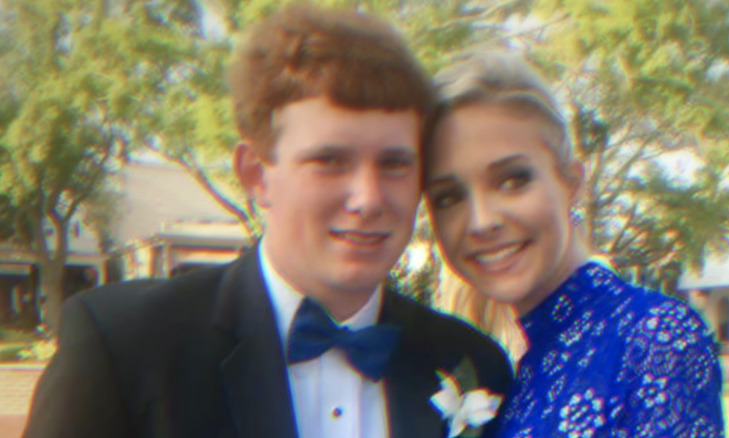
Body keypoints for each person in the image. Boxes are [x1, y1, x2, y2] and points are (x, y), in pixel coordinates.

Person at [22, 5, 512, 438]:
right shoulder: (126, 346)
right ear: (256, 175)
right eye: (330, 161)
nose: (368, 198)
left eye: (394, 163)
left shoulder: (469, 362)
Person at [424, 51, 725, 437]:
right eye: (449, 197)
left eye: (512, 180)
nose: (482, 221)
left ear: (572, 182)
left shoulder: (653, 337)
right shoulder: (514, 371)